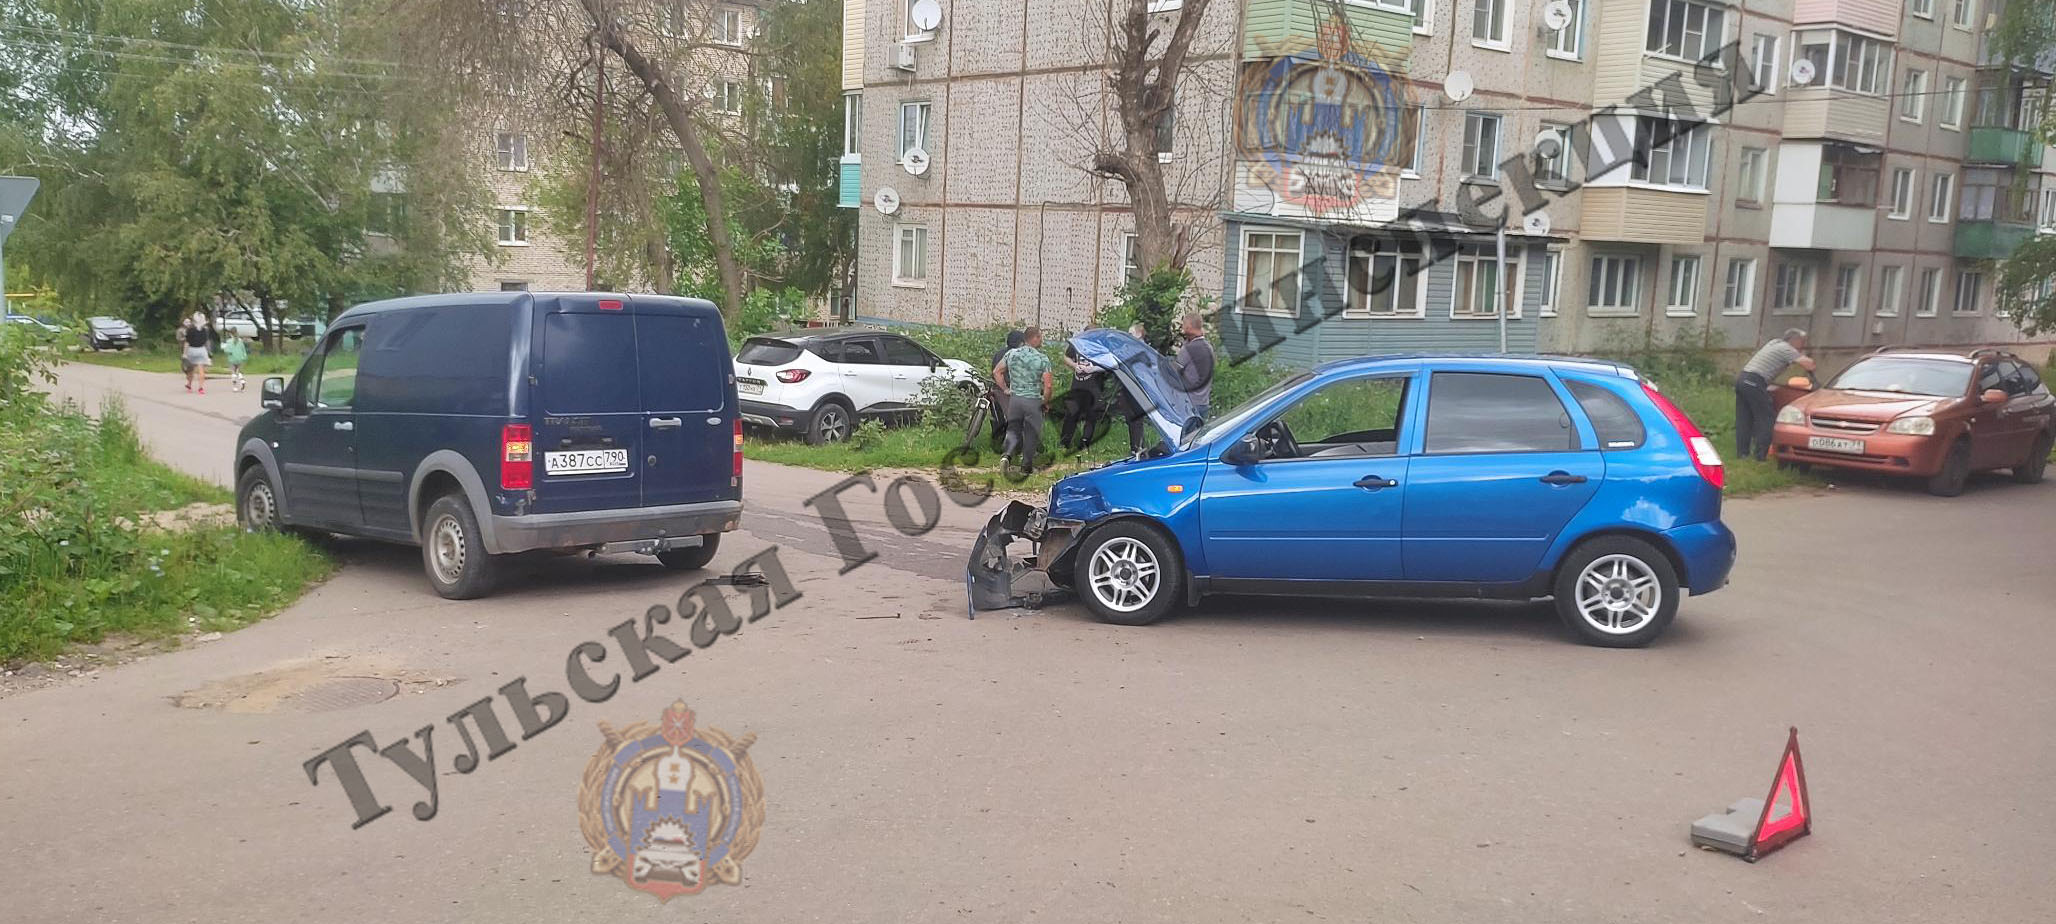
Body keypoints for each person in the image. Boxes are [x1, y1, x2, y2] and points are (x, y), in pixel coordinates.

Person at [1734, 328, 1815, 461]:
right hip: (1755, 381)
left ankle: (1742, 455)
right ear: (1795, 340)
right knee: (1767, 418)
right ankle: (1760, 457)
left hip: (1743, 379)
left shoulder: (1774, 343)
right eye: (1802, 343)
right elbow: (1810, 365)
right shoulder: (1786, 349)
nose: (1803, 346)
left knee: (1744, 419)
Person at [992, 326, 1054, 474]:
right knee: (1031, 432)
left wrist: (1006, 389)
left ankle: (1006, 456)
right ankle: (1026, 466)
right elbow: (1048, 385)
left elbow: (997, 372)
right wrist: (1045, 401)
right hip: (1033, 399)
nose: (1041, 340)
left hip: (1015, 399)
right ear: (1034, 338)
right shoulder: (1042, 359)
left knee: (1013, 429)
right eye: (1040, 337)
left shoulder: (1011, 354)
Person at [1058, 337, 1106, 453]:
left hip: (1094, 386)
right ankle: (1064, 442)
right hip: (1077, 385)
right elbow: (1065, 357)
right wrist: (1075, 366)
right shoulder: (1077, 344)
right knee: (1071, 413)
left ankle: (1085, 443)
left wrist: (1093, 368)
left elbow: (1109, 364)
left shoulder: (1100, 346)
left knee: (1091, 415)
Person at [1166, 312, 1216, 420]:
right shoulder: (1209, 348)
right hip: (1204, 403)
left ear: (1189, 326)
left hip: (1189, 404)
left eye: (1184, 325)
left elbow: (1173, 371)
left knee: (1186, 436)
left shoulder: (1189, 349)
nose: (1182, 328)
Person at [986, 329, 1025, 453]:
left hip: (995, 390)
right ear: (1020, 343)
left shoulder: (999, 353)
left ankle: (999, 443)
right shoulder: (1017, 356)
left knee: (997, 418)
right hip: (1006, 391)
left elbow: (993, 372)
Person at [182, 312, 214, 394]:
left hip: (192, 350)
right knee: (201, 370)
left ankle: (189, 384)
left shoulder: (190, 330)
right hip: (201, 350)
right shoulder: (205, 330)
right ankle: (201, 388)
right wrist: (209, 352)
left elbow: (187, 342)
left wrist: (184, 353)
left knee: (190, 369)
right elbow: (207, 342)